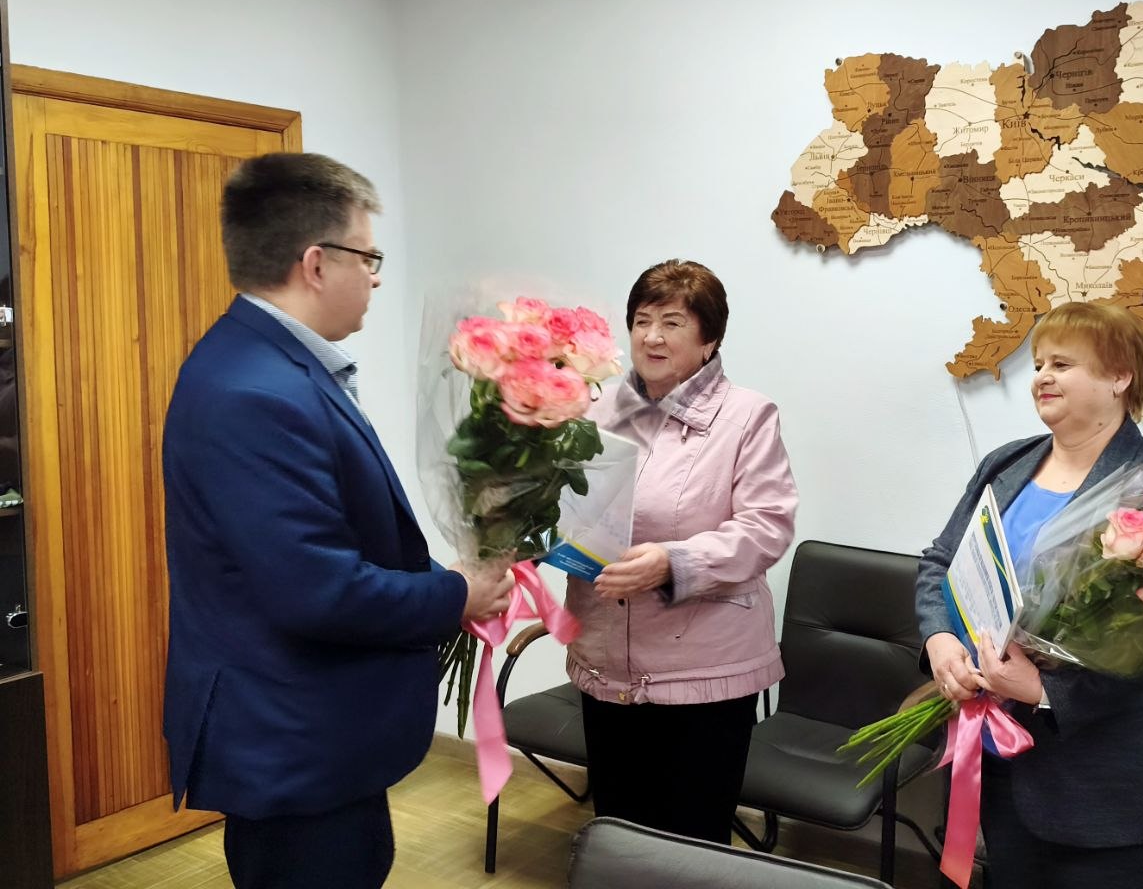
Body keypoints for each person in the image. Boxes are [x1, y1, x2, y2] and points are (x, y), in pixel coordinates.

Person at [162, 152, 513, 889]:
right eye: (368, 256)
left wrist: (445, 577)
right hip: (292, 737)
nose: (376, 277)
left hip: (313, 733)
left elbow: (334, 539)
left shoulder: (267, 365)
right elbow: (316, 590)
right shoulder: (255, 391)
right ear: (317, 264)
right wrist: (456, 593)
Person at [916, 302, 1143, 889]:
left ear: (1119, 377)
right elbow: (939, 564)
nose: (1041, 377)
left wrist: (1045, 691)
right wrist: (940, 640)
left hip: (1116, 786)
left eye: (1062, 363)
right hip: (1008, 762)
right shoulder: (1005, 464)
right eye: (1038, 365)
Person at [564, 259, 798, 844]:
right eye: (642, 321)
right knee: (619, 832)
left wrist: (674, 562)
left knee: (690, 844)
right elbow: (567, 507)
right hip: (606, 658)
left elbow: (767, 527)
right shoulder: (594, 409)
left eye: (672, 323)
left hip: (704, 668)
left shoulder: (747, 415)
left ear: (709, 339)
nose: (652, 337)